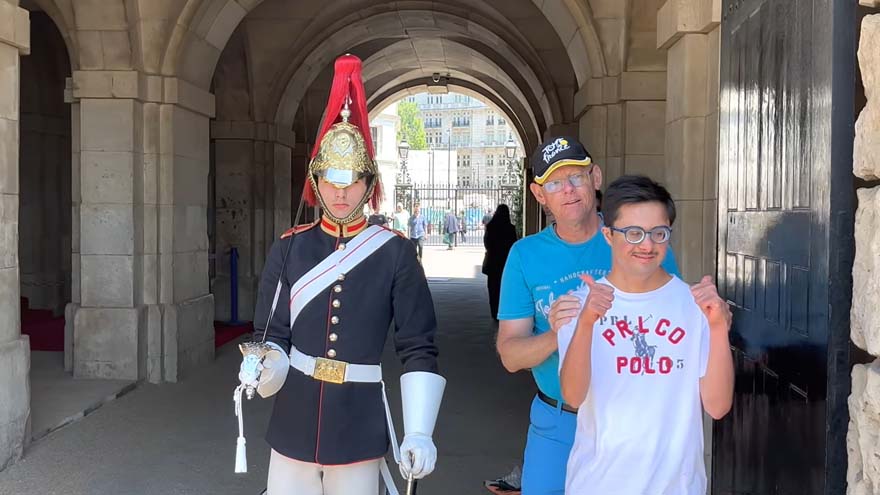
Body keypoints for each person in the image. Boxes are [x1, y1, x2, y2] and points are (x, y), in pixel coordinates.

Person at [238, 54, 445, 495]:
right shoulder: (290, 244)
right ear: (316, 180)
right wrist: (261, 368)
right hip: (294, 419)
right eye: (331, 178)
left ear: (369, 183)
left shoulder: (396, 253)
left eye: (351, 179)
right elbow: (272, 332)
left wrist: (420, 429)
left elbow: (417, 345)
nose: (340, 190)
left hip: (358, 419)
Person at [495, 136, 679, 495]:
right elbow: (510, 356)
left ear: (595, 177)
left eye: (576, 177)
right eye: (554, 183)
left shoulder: (635, 240)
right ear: (538, 195)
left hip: (631, 420)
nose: (568, 190)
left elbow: (673, 328)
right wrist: (557, 333)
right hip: (558, 422)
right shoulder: (524, 255)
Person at [558, 175, 733, 494]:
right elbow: (573, 396)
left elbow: (717, 406)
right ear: (608, 235)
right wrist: (585, 324)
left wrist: (719, 329)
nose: (648, 245)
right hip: (598, 484)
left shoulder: (696, 307)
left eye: (659, 233)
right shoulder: (578, 306)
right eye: (634, 233)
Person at [482, 204, 517, 321]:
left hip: (492, 262)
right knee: (505, 288)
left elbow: (486, 243)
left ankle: (494, 311)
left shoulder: (491, 226)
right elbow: (513, 244)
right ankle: (503, 311)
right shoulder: (510, 228)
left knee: (493, 288)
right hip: (505, 262)